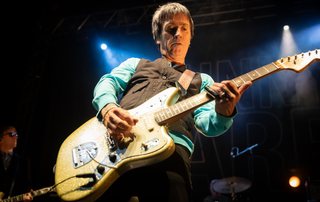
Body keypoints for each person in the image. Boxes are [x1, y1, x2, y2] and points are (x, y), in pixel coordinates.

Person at [92, 2, 252, 202]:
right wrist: (108, 108)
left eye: (184, 28)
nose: (178, 34)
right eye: (171, 29)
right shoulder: (136, 64)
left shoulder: (202, 81)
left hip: (170, 158)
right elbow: (107, 83)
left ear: (190, 38)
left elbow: (207, 124)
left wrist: (223, 111)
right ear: (158, 38)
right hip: (116, 155)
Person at [0, 125, 33, 201]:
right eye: (12, 134)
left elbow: (26, 188)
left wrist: (27, 196)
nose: (16, 137)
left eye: (17, 135)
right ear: (1, 138)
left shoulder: (23, 162)